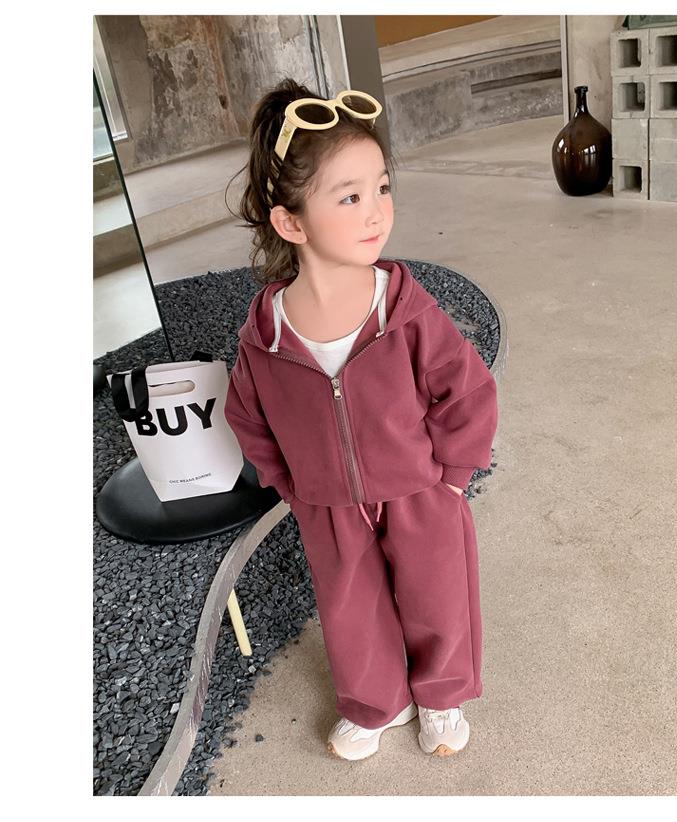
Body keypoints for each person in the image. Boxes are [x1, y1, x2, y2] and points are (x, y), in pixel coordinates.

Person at [224, 77, 499, 761]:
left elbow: (466, 388)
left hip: (419, 489)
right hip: (328, 503)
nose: (377, 211)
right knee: (351, 609)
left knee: (438, 595)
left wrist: (452, 476)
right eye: (349, 197)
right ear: (291, 223)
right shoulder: (267, 335)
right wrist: (294, 487)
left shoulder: (401, 308)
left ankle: (440, 694)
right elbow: (248, 416)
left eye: (381, 187)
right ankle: (377, 701)